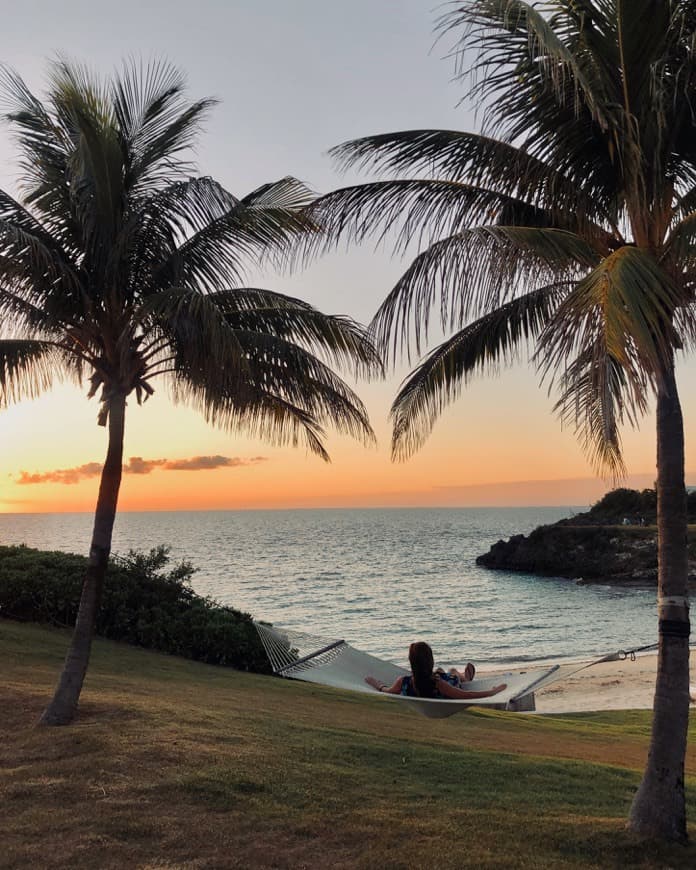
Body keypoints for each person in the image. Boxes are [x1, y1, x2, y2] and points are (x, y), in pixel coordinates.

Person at [365, 641, 507, 700]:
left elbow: (386, 691)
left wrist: (375, 683)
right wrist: (494, 691)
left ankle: (461, 675)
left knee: (440, 671)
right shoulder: (438, 684)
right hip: (449, 684)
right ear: (429, 660)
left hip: (430, 679)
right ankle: (463, 677)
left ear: (412, 662)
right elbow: (466, 695)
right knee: (451, 672)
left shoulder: (403, 682)